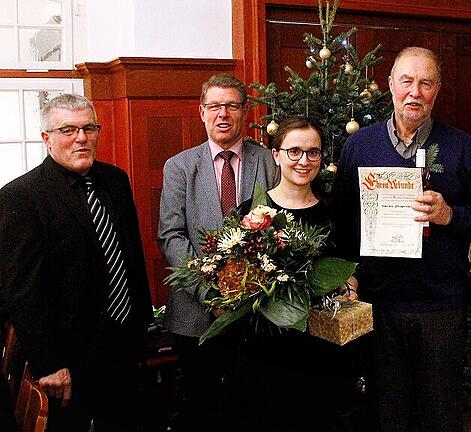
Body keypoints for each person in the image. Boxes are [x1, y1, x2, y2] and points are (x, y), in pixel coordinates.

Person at [335, 46, 471, 432]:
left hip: (440, 304)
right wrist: (350, 276)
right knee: (387, 411)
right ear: (390, 85)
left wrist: (450, 215)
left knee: (441, 413)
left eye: (425, 83)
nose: (415, 91)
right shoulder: (360, 146)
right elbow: (343, 223)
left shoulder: (462, 147)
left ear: (437, 90)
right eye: (406, 81)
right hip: (379, 302)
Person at [0, 93, 153, 431]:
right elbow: (21, 292)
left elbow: (130, 256)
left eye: (89, 128)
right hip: (66, 359)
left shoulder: (116, 180)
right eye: (68, 129)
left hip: (124, 345)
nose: (81, 138)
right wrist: (49, 363)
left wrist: (143, 326)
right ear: (47, 139)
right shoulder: (20, 197)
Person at [157, 74, 276, 431]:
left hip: (258, 309)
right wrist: (212, 288)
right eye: (214, 106)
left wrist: (252, 284)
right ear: (201, 112)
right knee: (202, 408)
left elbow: (281, 225)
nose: (222, 113)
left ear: (244, 112)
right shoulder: (179, 166)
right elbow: (171, 236)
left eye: (231, 105)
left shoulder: (268, 162)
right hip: (197, 312)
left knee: (253, 405)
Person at [229, 116, 360, 431]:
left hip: (321, 353)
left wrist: (349, 288)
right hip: (265, 353)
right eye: (294, 151)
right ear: (276, 155)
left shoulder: (335, 214)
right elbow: (235, 280)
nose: (304, 161)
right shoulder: (252, 212)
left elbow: (351, 270)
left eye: (313, 152)